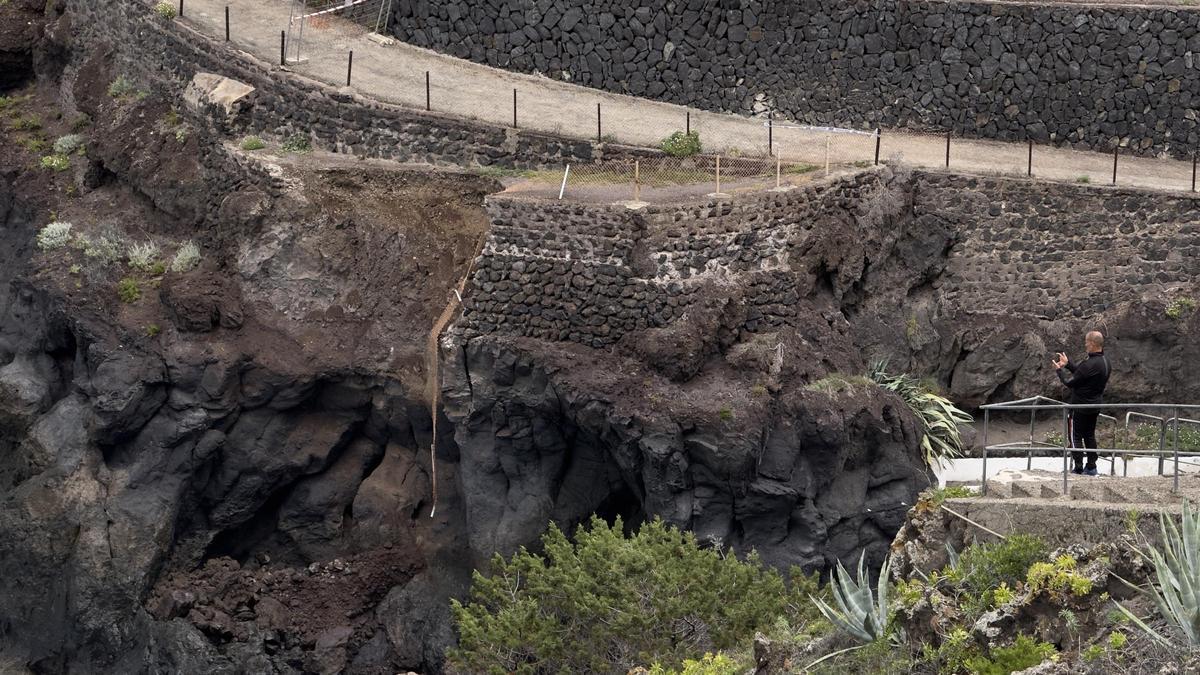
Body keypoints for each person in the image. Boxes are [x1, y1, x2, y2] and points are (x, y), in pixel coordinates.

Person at [1052, 331, 1111, 476]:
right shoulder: (1105, 362)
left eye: (1086, 342)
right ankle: (1091, 467)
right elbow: (1083, 374)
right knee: (1089, 435)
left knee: (1075, 436)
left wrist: (1059, 371)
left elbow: (1070, 382)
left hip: (1079, 407)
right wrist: (1068, 364)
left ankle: (1078, 468)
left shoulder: (1089, 364)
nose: (1085, 345)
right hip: (1094, 405)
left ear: (1092, 343)